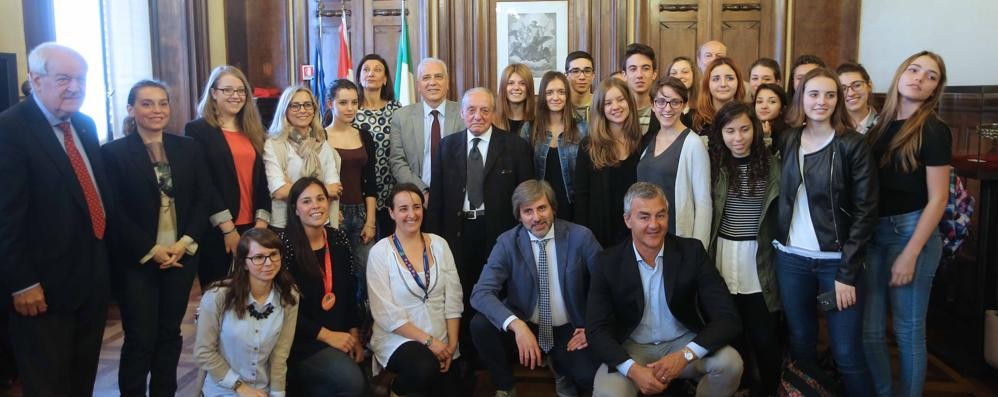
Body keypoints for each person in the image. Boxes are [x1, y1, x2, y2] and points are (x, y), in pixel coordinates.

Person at [0, 42, 113, 396]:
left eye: (81, 79)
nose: (76, 87)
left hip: (91, 282)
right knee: (48, 385)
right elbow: (6, 217)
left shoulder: (84, 124)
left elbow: (93, 197)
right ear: (36, 79)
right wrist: (22, 283)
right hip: (41, 291)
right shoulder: (10, 130)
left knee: (82, 380)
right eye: (64, 79)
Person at [101, 80, 217, 396]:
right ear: (131, 109)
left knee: (170, 334)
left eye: (162, 103)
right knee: (140, 337)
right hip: (138, 259)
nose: (157, 110)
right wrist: (150, 249)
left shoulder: (188, 148)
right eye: (147, 103)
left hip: (182, 255)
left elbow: (202, 198)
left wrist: (185, 242)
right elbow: (113, 210)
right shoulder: (112, 154)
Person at [587, 182, 743, 397]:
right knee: (608, 393)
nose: (654, 224)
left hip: (682, 344)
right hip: (632, 348)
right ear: (627, 220)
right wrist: (632, 369)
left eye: (660, 215)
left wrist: (685, 355)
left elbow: (728, 318)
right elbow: (596, 330)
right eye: (644, 217)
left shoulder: (692, 252)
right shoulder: (607, 262)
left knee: (730, 363)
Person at [775, 67, 876, 396]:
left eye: (830, 95)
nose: (821, 101)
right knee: (801, 344)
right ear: (800, 98)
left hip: (837, 263)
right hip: (791, 261)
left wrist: (847, 273)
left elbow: (866, 211)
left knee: (846, 352)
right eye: (813, 94)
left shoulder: (852, 144)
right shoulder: (788, 138)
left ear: (839, 99)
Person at [863, 51, 950, 397]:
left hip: (912, 233)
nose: (919, 78)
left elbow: (939, 198)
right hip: (874, 233)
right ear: (900, 73)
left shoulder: (933, 129)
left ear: (935, 89)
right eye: (914, 69)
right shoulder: (880, 124)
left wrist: (911, 253)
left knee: (907, 330)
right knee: (870, 331)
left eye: (930, 76)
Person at [427, 87, 534, 369]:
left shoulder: (515, 147)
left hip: (499, 234)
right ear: (461, 113)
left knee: (497, 292)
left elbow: (526, 200)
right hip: (457, 233)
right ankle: (465, 355)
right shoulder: (447, 146)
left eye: (484, 110)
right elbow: (436, 198)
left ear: (493, 112)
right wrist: (433, 240)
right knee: (459, 291)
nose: (478, 116)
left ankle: (500, 356)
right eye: (471, 110)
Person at [471, 180, 603, 397]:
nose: (536, 217)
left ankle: (560, 367)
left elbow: (606, 284)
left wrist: (592, 325)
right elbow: (481, 293)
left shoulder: (581, 237)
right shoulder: (507, 243)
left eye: (542, 208)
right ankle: (505, 386)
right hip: (526, 323)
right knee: (480, 325)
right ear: (519, 215)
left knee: (588, 376)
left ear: (553, 208)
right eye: (528, 211)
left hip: (568, 326)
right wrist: (517, 326)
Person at [706, 102, 782, 396]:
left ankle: (769, 389)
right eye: (729, 131)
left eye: (744, 129)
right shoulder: (716, 164)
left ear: (757, 128)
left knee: (764, 334)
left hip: (758, 257)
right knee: (732, 328)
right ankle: (742, 385)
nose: (738, 137)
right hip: (724, 253)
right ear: (720, 133)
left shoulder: (774, 164)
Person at [368, 183, 464, 397]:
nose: (411, 214)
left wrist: (451, 345)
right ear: (391, 213)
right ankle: (393, 389)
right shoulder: (380, 252)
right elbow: (385, 314)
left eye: (417, 207)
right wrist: (430, 343)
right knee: (424, 367)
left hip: (441, 338)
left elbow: (453, 299)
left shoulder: (440, 245)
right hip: (399, 338)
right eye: (403, 209)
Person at [186, 65, 272, 288]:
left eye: (241, 90)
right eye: (228, 90)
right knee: (220, 295)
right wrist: (228, 229)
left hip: (253, 225)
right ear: (214, 93)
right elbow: (205, 183)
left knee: (253, 293)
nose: (236, 96)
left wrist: (260, 225)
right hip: (220, 229)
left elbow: (263, 181)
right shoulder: (198, 130)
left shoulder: (254, 130)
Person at [279, 178, 366, 396]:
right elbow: (283, 310)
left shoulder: (338, 239)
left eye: (320, 199)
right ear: (295, 210)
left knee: (360, 376)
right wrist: (328, 335)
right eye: (306, 201)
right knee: (352, 382)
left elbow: (348, 293)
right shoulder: (283, 246)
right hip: (302, 341)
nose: (316, 206)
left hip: (339, 335)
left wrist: (353, 333)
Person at [194, 228, 300, 397]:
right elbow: (204, 352)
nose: (268, 263)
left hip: (262, 389)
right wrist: (240, 387)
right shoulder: (217, 296)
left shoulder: (289, 296)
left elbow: (280, 355)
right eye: (258, 257)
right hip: (223, 388)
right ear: (243, 263)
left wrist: (278, 393)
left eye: (274, 254)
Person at [638, 77, 711, 248]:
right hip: (646, 236)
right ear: (653, 105)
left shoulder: (693, 144)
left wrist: (698, 251)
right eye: (661, 102)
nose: (667, 108)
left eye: (675, 102)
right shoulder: (649, 140)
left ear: (684, 106)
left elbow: (703, 204)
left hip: (677, 239)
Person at [324, 79, 377, 301]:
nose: (350, 108)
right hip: (334, 213)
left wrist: (371, 221)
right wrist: (329, 211)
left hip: (361, 212)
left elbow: (370, 181)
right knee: (338, 274)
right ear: (330, 104)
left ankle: (364, 323)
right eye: (343, 102)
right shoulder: (321, 136)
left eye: (354, 102)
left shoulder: (364, 135)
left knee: (368, 273)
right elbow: (316, 180)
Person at [575, 78, 642, 247]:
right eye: (608, 103)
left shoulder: (643, 143)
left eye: (621, 100)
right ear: (600, 108)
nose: (616, 107)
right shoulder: (588, 146)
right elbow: (581, 196)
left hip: (637, 231)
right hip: (600, 234)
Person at [263, 85, 341, 230]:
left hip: (319, 224)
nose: (303, 110)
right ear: (285, 110)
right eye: (295, 106)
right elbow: (279, 191)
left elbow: (335, 189)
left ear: (314, 110)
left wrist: (292, 187)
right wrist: (324, 190)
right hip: (286, 225)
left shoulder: (322, 143)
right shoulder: (275, 144)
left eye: (307, 105)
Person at [389, 57, 463, 200]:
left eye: (438, 77)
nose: (432, 82)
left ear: (447, 83)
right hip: (415, 198)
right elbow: (397, 161)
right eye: (426, 78)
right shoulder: (401, 116)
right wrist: (422, 193)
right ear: (418, 85)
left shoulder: (464, 114)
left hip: (455, 198)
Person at [521, 71, 588, 221]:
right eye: (549, 92)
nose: (555, 97)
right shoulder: (530, 129)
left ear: (567, 96)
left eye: (561, 92)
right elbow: (524, 174)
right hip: (540, 207)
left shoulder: (582, 129)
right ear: (543, 96)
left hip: (573, 205)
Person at [354, 53, 402, 237]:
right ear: (359, 77)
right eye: (366, 70)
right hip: (361, 189)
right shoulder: (351, 110)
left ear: (385, 79)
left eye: (377, 70)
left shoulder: (396, 109)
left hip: (390, 187)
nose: (371, 74)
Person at [693, 57, 746, 134]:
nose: (723, 84)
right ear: (707, 84)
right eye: (716, 79)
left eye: (730, 78)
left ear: (739, 82)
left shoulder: (749, 116)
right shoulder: (693, 119)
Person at [622, 43, 658, 134]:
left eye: (645, 68)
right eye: (633, 69)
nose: (639, 75)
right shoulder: (616, 111)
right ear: (624, 75)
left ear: (654, 74)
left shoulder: (664, 111)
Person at [837, 62, 879, 134]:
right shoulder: (831, 127)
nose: (851, 93)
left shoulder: (884, 125)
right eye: (843, 88)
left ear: (869, 86)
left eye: (857, 85)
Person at [495, 63, 535, 135]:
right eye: (510, 83)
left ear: (529, 87)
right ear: (503, 87)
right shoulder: (491, 121)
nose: (516, 88)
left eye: (522, 83)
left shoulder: (538, 122)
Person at [753, 83, 789, 149]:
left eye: (772, 102)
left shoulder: (788, 134)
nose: (764, 106)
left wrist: (767, 138)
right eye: (759, 101)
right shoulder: (748, 128)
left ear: (782, 108)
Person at [666, 56, 697, 126]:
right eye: (674, 73)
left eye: (685, 72)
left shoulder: (704, 105)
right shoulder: (662, 107)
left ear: (693, 75)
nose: (679, 76)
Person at [565, 51, 595, 122]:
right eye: (575, 71)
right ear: (566, 76)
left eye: (587, 71)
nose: (582, 77)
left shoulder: (602, 104)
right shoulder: (559, 106)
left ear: (593, 75)